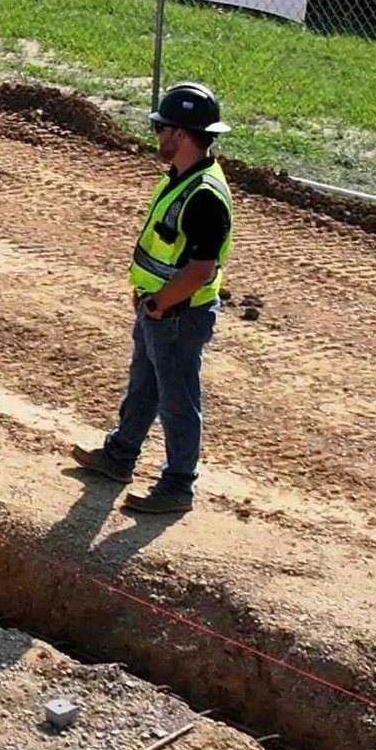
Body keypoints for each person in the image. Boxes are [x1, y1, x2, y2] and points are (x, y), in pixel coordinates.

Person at [73, 82, 235, 516]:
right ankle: (120, 455)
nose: (157, 134)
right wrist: (149, 295)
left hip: (179, 313)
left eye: (163, 127)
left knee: (178, 400)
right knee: (144, 384)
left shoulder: (203, 196)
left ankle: (178, 485)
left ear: (181, 135)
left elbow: (202, 270)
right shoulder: (184, 178)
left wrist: (162, 301)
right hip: (158, 306)